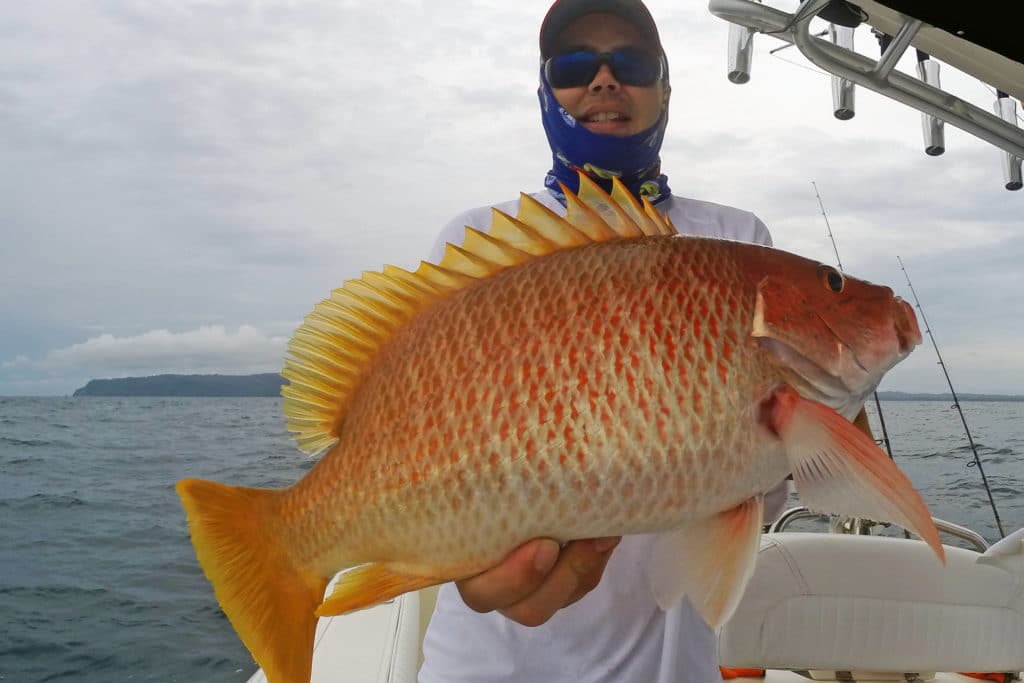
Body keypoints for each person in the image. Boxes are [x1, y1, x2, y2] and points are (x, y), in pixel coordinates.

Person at [418, 1, 789, 681]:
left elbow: (761, 489)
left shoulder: (738, 244)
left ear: (665, 90)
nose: (605, 79)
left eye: (634, 63)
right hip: (487, 666)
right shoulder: (478, 243)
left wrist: (817, 438)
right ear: (545, 92)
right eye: (575, 65)